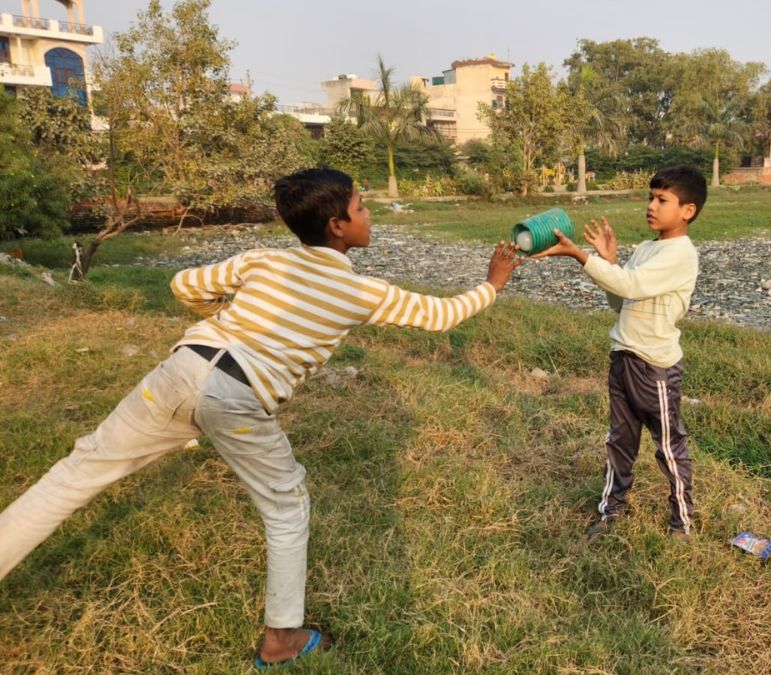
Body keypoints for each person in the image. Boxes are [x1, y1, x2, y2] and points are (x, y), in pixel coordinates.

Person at [0, 168, 524, 667]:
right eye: (362, 208)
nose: (370, 216)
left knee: (75, 473)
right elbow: (441, 316)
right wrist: (494, 283)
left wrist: (226, 323)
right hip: (236, 397)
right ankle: (281, 640)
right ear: (337, 226)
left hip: (182, 368)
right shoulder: (360, 292)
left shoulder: (263, 261)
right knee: (286, 504)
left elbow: (184, 285)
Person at [534, 165, 705, 540]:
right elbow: (621, 300)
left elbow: (631, 286)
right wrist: (609, 263)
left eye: (662, 200)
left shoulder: (681, 254)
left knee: (669, 447)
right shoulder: (648, 248)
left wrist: (580, 256)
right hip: (623, 358)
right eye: (650, 197)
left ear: (687, 211)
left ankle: (682, 522)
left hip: (655, 368)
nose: (651, 206)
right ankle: (612, 510)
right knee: (619, 441)